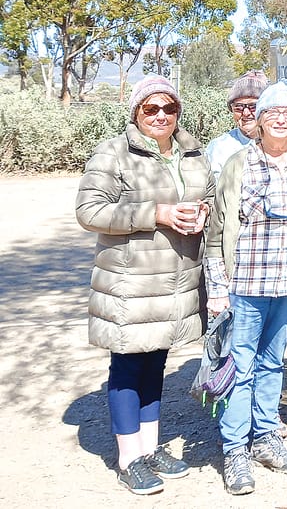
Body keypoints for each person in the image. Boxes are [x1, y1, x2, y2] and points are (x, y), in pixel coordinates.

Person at [76, 74, 213, 496]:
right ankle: (129, 459)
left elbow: (206, 193)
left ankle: (150, 450)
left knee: (156, 363)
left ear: (178, 112)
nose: (160, 116)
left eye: (168, 108)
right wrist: (156, 213)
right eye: (150, 108)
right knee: (128, 366)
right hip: (130, 281)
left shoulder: (192, 153)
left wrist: (203, 211)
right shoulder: (114, 152)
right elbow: (89, 211)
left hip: (177, 280)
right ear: (136, 112)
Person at [203, 82, 287, 496]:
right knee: (239, 364)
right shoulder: (238, 165)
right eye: (273, 113)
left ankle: (264, 437)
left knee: (273, 362)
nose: (281, 119)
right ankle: (235, 448)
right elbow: (217, 228)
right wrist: (218, 288)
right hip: (246, 283)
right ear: (258, 121)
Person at [205, 70, 269, 180]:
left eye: (253, 106)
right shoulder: (218, 148)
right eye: (239, 107)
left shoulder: (281, 144)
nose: (246, 113)